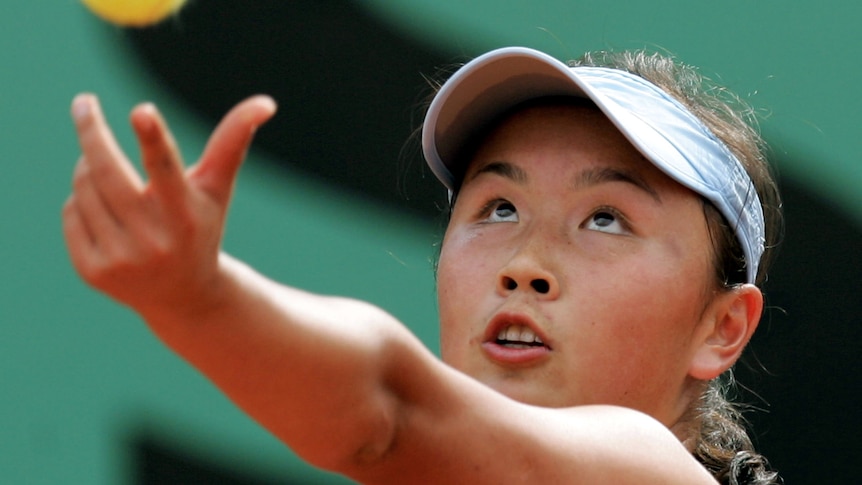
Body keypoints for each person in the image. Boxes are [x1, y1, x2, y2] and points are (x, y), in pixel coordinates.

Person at [62, 46, 783, 484]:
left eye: (606, 219)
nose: (526, 264)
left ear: (721, 327)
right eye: (498, 207)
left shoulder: (646, 471)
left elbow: (390, 410)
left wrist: (202, 299)